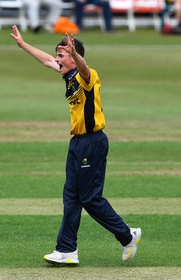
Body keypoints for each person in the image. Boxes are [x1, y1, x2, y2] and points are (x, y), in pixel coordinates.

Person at [10, 25, 141, 265]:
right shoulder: (67, 74)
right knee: (71, 197)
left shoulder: (87, 75)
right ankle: (67, 250)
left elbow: (83, 67)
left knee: (90, 198)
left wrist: (76, 54)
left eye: (63, 54)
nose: (58, 58)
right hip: (77, 143)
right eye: (59, 55)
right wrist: (23, 45)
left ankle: (127, 235)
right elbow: (47, 60)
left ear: (74, 56)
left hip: (93, 142)